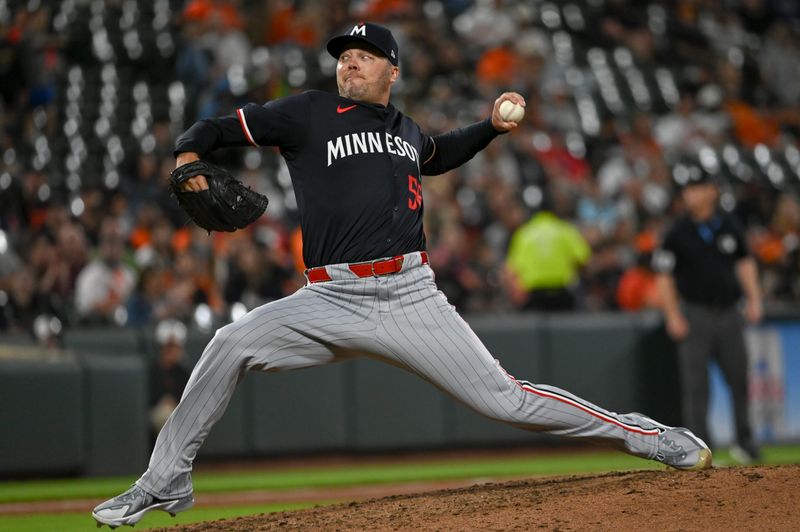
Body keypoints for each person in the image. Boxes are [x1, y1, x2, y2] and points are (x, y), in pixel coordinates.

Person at [92, 22, 711, 529]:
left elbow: (441, 153)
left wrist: (491, 129)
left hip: (410, 294)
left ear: (392, 72)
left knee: (506, 399)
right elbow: (220, 127)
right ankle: (162, 481)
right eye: (345, 56)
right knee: (228, 344)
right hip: (329, 296)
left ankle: (646, 435)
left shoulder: (405, 130)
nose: (350, 64)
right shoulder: (308, 112)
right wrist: (188, 152)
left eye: (364, 57)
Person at [654, 167, 763, 464]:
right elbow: (664, 277)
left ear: (712, 191)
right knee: (696, 387)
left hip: (729, 313)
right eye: (687, 189)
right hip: (696, 314)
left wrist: (754, 298)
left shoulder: (729, 225)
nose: (690, 194)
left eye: (697, 188)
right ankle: (699, 449)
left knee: (739, 380)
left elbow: (745, 262)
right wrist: (673, 315)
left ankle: (746, 443)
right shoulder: (676, 232)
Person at [504, 196, 591, 311]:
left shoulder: (524, 233)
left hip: (534, 295)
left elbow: (511, 270)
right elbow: (584, 259)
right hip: (562, 293)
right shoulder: (565, 230)